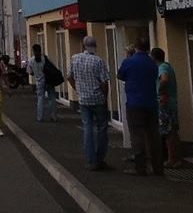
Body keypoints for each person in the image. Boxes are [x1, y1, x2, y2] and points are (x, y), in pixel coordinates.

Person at [118, 38, 162, 176]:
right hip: (151, 103)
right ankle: (157, 167)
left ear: (136, 48)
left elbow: (120, 75)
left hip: (134, 103)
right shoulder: (152, 63)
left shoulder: (129, 62)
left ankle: (140, 167)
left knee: (137, 136)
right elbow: (155, 76)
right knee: (153, 135)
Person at [67, 35, 110, 170]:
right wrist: (105, 97)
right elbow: (104, 82)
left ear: (83, 46)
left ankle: (90, 160)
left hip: (83, 99)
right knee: (102, 128)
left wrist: (77, 89)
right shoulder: (98, 61)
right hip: (98, 99)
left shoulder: (75, 58)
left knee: (87, 128)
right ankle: (100, 158)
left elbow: (69, 77)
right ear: (95, 47)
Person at [151, 47, 181, 168]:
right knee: (172, 131)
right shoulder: (168, 66)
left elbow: (164, 79)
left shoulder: (162, 67)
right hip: (171, 103)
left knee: (168, 132)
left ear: (154, 58)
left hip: (166, 104)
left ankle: (172, 159)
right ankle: (174, 158)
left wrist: (160, 92)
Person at [27, 44, 57, 122]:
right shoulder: (45, 59)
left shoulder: (31, 60)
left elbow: (30, 72)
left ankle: (39, 117)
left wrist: (36, 73)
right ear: (40, 50)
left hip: (39, 82)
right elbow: (53, 67)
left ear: (33, 51)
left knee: (40, 99)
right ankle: (53, 116)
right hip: (49, 81)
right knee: (52, 98)